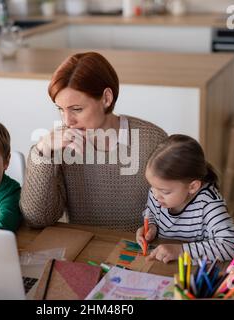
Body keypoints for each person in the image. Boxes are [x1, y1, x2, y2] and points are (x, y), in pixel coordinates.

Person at [20, 52, 168, 232]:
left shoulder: (153, 140)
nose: (67, 121)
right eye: (60, 109)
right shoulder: (60, 147)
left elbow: (176, 213)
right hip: (82, 252)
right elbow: (37, 218)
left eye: (77, 109)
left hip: (137, 252)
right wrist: (41, 152)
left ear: (106, 98)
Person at [136, 134, 234, 263]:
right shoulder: (157, 192)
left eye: (165, 191)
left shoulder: (209, 204)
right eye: (152, 187)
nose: (155, 194)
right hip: (161, 264)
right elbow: (151, 212)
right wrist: (151, 227)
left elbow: (232, 245)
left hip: (192, 272)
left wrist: (180, 251)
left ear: (192, 187)